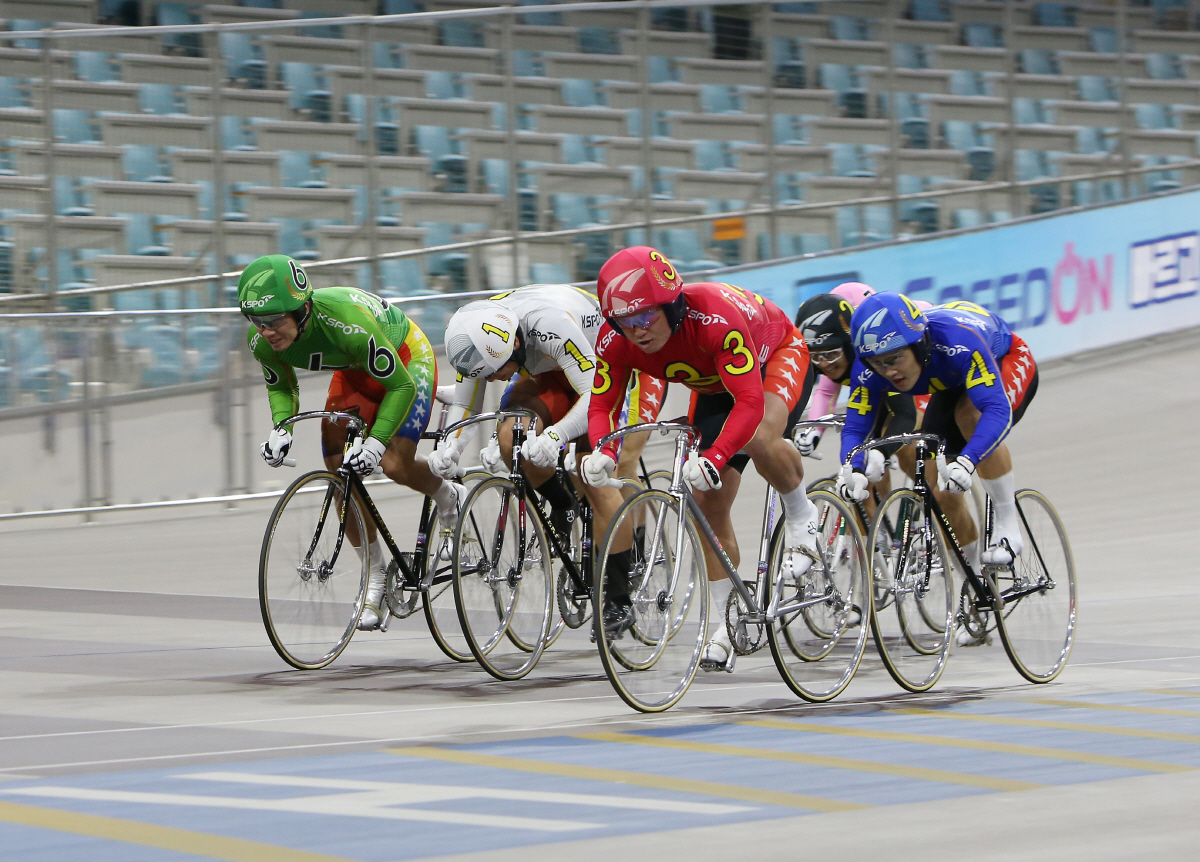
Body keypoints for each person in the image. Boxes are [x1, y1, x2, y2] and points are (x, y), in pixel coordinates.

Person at [582, 246, 816, 671]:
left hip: (774, 357)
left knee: (759, 437)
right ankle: (727, 623)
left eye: (646, 317)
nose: (637, 331)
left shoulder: (715, 319)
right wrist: (604, 450)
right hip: (712, 386)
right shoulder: (615, 340)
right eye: (626, 322)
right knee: (707, 501)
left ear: (671, 305)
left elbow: (747, 402)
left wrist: (716, 454)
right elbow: (602, 407)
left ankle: (802, 512)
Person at [239, 254, 465, 631]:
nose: (266, 331)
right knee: (338, 471)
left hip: (406, 361)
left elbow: (401, 386)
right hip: (356, 372)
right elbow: (281, 386)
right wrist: (282, 429)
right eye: (257, 322)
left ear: (304, 309)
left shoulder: (346, 323)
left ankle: (447, 495)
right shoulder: (261, 341)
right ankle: (374, 580)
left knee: (393, 464)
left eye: (275, 320)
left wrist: (376, 442)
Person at [836, 294, 1038, 600]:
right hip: (949, 380)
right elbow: (854, 428)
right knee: (940, 489)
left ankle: (1008, 523)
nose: (888, 371)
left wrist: (968, 461)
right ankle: (976, 586)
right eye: (877, 363)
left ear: (919, 344)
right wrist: (853, 467)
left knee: (971, 416)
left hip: (1005, 359)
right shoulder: (871, 370)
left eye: (894, 359)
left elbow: (997, 411)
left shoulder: (959, 342)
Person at [429, 284, 665, 544]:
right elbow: (467, 404)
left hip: (620, 365)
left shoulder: (549, 324)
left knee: (616, 465)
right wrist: (451, 446)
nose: (493, 380)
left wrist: (556, 435)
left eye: (495, 371)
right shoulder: (479, 339)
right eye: (486, 375)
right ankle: (565, 505)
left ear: (515, 343)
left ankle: (636, 547)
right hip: (556, 365)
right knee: (511, 436)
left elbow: (597, 398)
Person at [794, 283, 918, 507]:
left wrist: (883, 450)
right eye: (817, 356)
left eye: (831, 354)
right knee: (863, 456)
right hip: (867, 378)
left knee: (905, 447)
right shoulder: (826, 349)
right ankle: (876, 531)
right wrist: (814, 429)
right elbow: (824, 390)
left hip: (903, 378)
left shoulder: (872, 348)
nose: (824, 363)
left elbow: (904, 412)